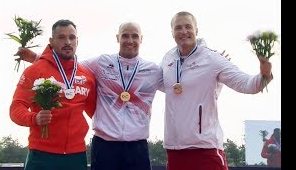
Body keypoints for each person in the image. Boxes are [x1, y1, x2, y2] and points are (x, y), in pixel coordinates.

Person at [16, 22, 163, 170]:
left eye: (135, 36)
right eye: (125, 35)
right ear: (118, 38)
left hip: (135, 147)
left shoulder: (154, 70)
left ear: (141, 39)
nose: (130, 40)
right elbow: (66, 65)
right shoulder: (101, 62)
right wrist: (36, 57)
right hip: (103, 146)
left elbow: (179, 86)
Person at [160, 11, 273, 170]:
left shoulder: (212, 59)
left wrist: (264, 75)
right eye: (178, 28)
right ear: (172, 33)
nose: (183, 31)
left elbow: (246, 84)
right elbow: (155, 83)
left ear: (196, 30)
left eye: (188, 27)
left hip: (205, 149)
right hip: (174, 149)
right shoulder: (168, 59)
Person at [10, 19, 97, 170]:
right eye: (61, 37)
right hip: (42, 155)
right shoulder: (35, 71)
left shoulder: (87, 76)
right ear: (51, 41)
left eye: (71, 37)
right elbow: (16, 108)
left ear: (77, 40)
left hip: (76, 156)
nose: (67, 42)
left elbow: (98, 113)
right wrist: (34, 118)